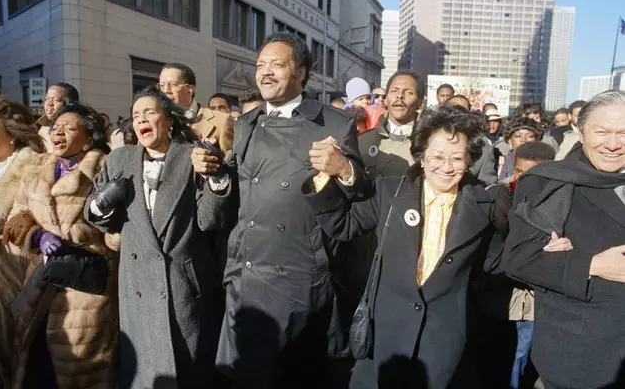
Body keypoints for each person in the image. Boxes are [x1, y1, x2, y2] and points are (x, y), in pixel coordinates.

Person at [303, 105, 502, 389]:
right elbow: (343, 226)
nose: (446, 167)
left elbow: (496, 262)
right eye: (437, 156)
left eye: (457, 158)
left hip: (444, 343)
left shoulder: (484, 206)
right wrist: (323, 179)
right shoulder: (390, 191)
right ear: (421, 157)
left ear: (468, 161)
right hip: (386, 335)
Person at [215, 32, 370, 389]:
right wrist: (214, 175)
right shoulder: (244, 124)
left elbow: (361, 191)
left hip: (300, 276)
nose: (265, 73)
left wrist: (343, 169)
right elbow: (236, 194)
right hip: (246, 273)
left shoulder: (332, 122)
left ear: (301, 72)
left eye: (277, 65)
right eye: (260, 66)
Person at [85, 86, 233, 388]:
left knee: (188, 370)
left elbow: (210, 220)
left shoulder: (194, 155)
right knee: (145, 373)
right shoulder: (119, 160)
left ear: (168, 120)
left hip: (183, 284)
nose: (142, 119)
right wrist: (101, 203)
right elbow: (95, 215)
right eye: (136, 115)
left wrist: (216, 176)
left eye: (150, 112)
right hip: (137, 285)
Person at [505, 90, 625, 389]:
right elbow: (519, 259)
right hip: (579, 356)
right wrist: (590, 264)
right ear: (580, 132)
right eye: (602, 132)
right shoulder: (549, 182)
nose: (613, 144)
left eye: (623, 133)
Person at [1, 101, 118, 389]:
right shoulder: (35, 167)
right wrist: (37, 236)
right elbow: (15, 219)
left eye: (69, 128)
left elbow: (117, 231)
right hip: (40, 282)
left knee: (83, 366)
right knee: (35, 365)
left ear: (89, 138)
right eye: (56, 127)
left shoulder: (106, 169)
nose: (59, 132)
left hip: (86, 289)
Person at [479, 141, 556, 389]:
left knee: (522, 357)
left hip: (534, 301)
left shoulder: (561, 200)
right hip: (497, 295)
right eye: (522, 172)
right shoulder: (495, 197)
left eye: (538, 173)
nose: (528, 180)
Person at [0, 93, 45, 389]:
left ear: (10, 134)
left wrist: (29, 217)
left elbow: (49, 209)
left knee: (0, 351)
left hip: (8, 272)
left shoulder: (33, 166)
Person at [356, 70, 423, 178]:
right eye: (394, 91)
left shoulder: (428, 143)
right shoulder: (363, 141)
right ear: (386, 99)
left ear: (420, 102)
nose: (400, 96)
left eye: (409, 92)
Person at [158, 62, 235, 154]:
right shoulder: (155, 121)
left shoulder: (222, 121)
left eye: (173, 84)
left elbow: (231, 164)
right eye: (162, 85)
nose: (166, 90)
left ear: (190, 90)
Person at [497, 117, 542, 181]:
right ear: (510, 140)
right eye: (518, 136)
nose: (523, 140)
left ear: (537, 140)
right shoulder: (500, 163)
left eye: (530, 136)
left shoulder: (544, 163)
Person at [38, 83, 80, 152]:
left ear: (70, 104)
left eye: (56, 100)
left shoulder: (80, 128)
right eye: (46, 99)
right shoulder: (41, 129)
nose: (49, 103)